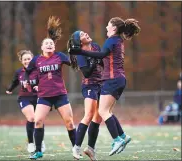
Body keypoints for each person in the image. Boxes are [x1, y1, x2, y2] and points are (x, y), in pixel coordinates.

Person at [69, 17, 141, 156]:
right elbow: (97, 62)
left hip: (111, 79)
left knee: (102, 112)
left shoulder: (110, 40)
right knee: (102, 112)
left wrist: (80, 52)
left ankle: (117, 139)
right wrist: (82, 54)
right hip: (115, 80)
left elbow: (101, 55)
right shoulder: (118, 40)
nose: (106, 27)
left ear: (114, 28)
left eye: (108, 25)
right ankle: (122, 136)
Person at [24, 16, 76, 159]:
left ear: (54, 46)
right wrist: (30, 83)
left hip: (60, 95)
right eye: (46, 43)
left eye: (51, 43)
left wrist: (75, 53)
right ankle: (38, 151)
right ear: (41, 47)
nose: (49, 45)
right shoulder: (37, 60)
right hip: (44, 96)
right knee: (38, 121)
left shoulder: (60, 56)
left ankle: (75, 149)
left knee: (70, 123)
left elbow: (74, 64)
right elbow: (27, 73)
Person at [67, 30, 103, 160]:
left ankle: (90, 149)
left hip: (101, 85)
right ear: (79, 42)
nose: (86, 34)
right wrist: (95, 58)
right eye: (82, 35)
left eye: (84, 32)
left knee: (98, 118)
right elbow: (87, 73)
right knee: (88, 115)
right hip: (90, 86)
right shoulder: (80, 54)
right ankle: (76, 147)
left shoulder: (96, 46)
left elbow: (102, 63)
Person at [6, 50, 45, 154]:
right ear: (21, 61)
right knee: (31, 118)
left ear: (32, 59)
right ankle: (31, 143)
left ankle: (40, 141)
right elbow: (14, 82)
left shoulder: (38, 70)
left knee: (39, 120)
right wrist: (9, 89)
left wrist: (39, 86)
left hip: (38, 98)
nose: (27, 61)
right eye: (25, 59)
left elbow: (45, 81)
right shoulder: (19, 72)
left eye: (29, 59)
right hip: (24, 98)